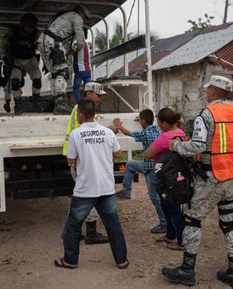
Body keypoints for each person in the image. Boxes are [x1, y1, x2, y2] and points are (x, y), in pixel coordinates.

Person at [162, 75, 233, 288]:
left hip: (212, 178)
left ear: (214, 92)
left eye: (208, 90)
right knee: (230, 222)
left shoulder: (206, 115)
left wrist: (175, 146)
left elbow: (197, 146)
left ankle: (187, 270)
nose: (206, 93)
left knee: (193, 219)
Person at [55, 99, 129, 270]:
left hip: (85, 189)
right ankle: (122, 260)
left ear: (81, 115)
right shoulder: (108, 132)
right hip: (106, 187)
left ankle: (70, 261)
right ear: (94, 115)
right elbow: (118, 154)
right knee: (113, 225)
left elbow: (71, 160)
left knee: (73, 225)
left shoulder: (76, 134)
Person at [62, 82, 109, 245]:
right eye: (98, 95)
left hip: (79, 159)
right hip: (79, 160)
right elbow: (83, 135)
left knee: (81, 196)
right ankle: (91, 233)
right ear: (89, 94)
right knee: (89, 194)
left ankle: (69, 231)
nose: (101, 98)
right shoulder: (81, 111)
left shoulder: (85, 111)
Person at [114, 110, 167, 234]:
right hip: (157, 166)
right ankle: (165, 222)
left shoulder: (146, 133)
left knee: (155, 197)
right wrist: (141, 119)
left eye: (141, 120)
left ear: (143, 121)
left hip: (150, 166)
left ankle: (164, 223)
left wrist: (119, 126)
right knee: (131, 164)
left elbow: (129, 133)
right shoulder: (156, 130)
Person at [144, 108, 186, 251]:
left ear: (163, 123)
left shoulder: (164, 138)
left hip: (166, 178)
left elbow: (148, 154)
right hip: (177, 176)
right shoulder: (181, 132)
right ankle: (170, 234)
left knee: (173, 209)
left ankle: (181, 241)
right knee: (166, 206)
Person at [38, 5, 90, 114]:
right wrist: (72, 50)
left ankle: (54, 102)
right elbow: (81, 41)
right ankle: (60, 104)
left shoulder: (63, 15)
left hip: (42, 40)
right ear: (80, 11)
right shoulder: (76, 17)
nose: (84, 20)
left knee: (54, 73)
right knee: (62, 72)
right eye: (85, 17)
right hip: (53, 42)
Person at [0, 13, 41, 115]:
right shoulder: (13, 31)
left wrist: (46, 59)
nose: (30, 29)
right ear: (23, 24)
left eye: (33, 26)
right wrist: (4, 57)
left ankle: (36, 101)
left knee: (37, 80)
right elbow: (3, 44)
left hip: (30, 59)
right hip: (16, 59)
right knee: (14, 82)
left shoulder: (37, 33)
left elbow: (41, 46)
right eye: (29, 26)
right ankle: (17, 104)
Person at [70, 31, 92, 102]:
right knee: (88, 89)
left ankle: (80, 104)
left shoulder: (77, 44)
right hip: (88, 70)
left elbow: (71, 52)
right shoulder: (87, 44)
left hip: (80, 70)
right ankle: (89, 103)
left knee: (76, 88)